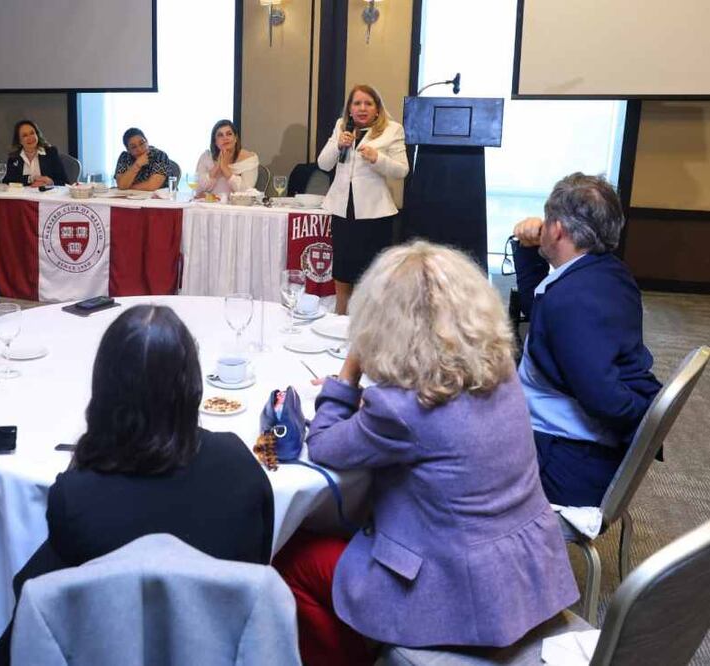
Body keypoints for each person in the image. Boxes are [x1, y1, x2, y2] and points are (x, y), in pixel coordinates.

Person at [275, 241, 578, 665]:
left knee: (292, 560)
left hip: (454, 595)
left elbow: (323, 445)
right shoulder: (499, 370)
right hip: (527, 574)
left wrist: (349, 371)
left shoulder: (400, 409)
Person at [0, 304, 274, 665]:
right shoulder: (240, 464)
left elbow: (63, 609)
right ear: (192, 385)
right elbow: (258, 566)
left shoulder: (78, 496)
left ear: (105, 389)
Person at [512, 173, 661, 507]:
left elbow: (606, 400)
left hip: (567, 464)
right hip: (576, 448)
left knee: (445, 451)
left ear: (558, 230)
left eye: (547, 220)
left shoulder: (573, 301)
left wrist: (647, 420)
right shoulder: (608, 273)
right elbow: (543, 318)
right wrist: (527, 250)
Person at [317, 84, 409, 315]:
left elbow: (402, 170)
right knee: (342, 274)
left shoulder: (392, 130)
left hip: (374, 216)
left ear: (377, 109)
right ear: (349, 108)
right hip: (342, 212)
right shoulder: (341, 127)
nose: (362, 108)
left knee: (371, 278)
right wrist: (339, 145)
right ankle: (339, 325)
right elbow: (323, 164)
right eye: (356, 103)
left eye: (368, 103)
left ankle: (369, 331)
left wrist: (378, 158)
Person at [194, 119, 259, 196]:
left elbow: (246, 191)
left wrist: (225, 168)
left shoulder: (249, 159)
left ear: (235, 138)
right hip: (210, 204)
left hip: (237, 206)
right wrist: (217, 167)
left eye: (229, 134)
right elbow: (197, 189)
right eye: (220, 135)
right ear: (215, 142)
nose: (225, 138)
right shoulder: (206, 157)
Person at [2, 119, 69, 186]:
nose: (30, 138)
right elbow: (8, 181)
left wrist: (50, 182)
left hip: (45, 195)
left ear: (37, 134)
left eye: (32, 133)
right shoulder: (14, 157)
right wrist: (31, 180)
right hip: (22, 195)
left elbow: (64, 182)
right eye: (25, 135)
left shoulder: (50, 153)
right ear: (20, 141)